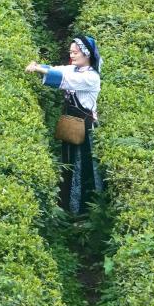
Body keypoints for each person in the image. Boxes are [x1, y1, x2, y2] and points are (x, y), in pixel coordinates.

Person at [25, 35, 103, 214]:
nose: (72, 55)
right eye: (71, 52)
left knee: (85, 167)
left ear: (87, 54)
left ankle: (84, 212)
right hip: (71, 126)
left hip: (85, 129)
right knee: (68, 163)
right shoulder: (74, 69)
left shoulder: (91, 77)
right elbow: (56, 70)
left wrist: (37, 68)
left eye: (76, 52)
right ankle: (68, 207)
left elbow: (63, 80)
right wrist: (39, 67)